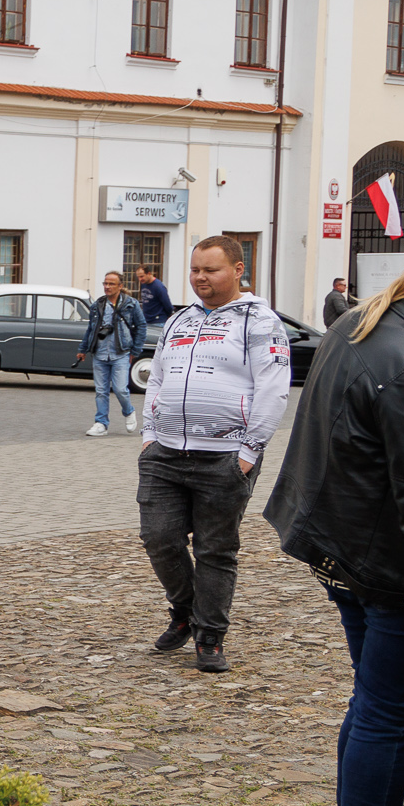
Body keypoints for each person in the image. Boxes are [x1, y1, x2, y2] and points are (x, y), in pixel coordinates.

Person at [265, 238, 404, 806]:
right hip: (398, 572)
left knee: (374, 704)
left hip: (346, 550)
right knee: (388, 712)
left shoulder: (366, 319)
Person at [138, 236, 292, 674]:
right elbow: (157, 378)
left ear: (238, 270)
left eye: (211, 270)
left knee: (215, 550)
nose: (200, 278)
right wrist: (149, 434)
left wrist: (249, 450)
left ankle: (209, 635)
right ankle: (186, 610)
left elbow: (273, 387)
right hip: (165, 453)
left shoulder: (260, 321)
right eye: (195, 270)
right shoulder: (179, 319)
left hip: (226, 456)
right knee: (159, 538)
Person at [76, 270, 146, 437]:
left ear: (120, 286)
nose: (107, 287)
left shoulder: (131, 304)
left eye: (111, 284)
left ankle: (129, 411)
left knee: (120, 389)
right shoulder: (97, 305)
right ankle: (101, 423)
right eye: (105, 283)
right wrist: (83, 349)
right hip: (99, 353)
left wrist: (135, 350)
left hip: (120, 353)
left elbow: (141, 326)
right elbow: (91, 328)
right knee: (101, 391)